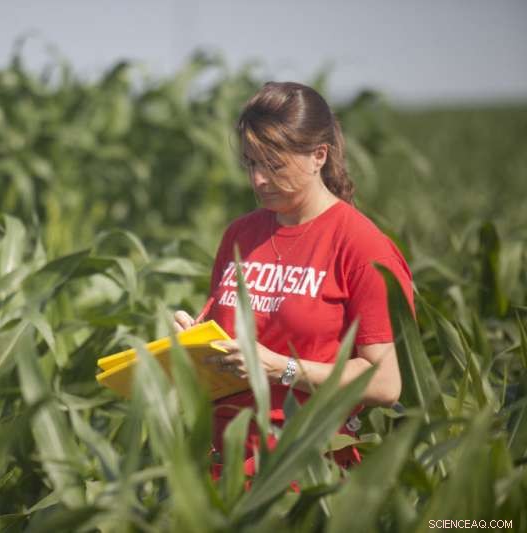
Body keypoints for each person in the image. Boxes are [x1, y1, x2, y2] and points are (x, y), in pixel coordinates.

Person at [173, 81, 414, 477]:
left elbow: (385, 384)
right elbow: (236, 343)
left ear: (319, 155)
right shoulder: (240, 235)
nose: (258, 180)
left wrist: (281, 368)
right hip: (223, 466)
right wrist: (194, 343)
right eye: (251, 164)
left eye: (273, 165)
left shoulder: (362, 246)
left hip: (304, 473)